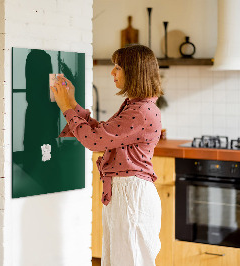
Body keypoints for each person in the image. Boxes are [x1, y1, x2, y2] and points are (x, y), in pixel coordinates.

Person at [50, 44, 163, 266]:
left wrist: (66, 108)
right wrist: (72, 104)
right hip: (125, 193)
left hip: (131, 195)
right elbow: (102, 134)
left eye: (118, 67)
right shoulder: (136, 106)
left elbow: (94, 141)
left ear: (134, 71)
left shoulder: (140, 111)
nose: (112, 72)